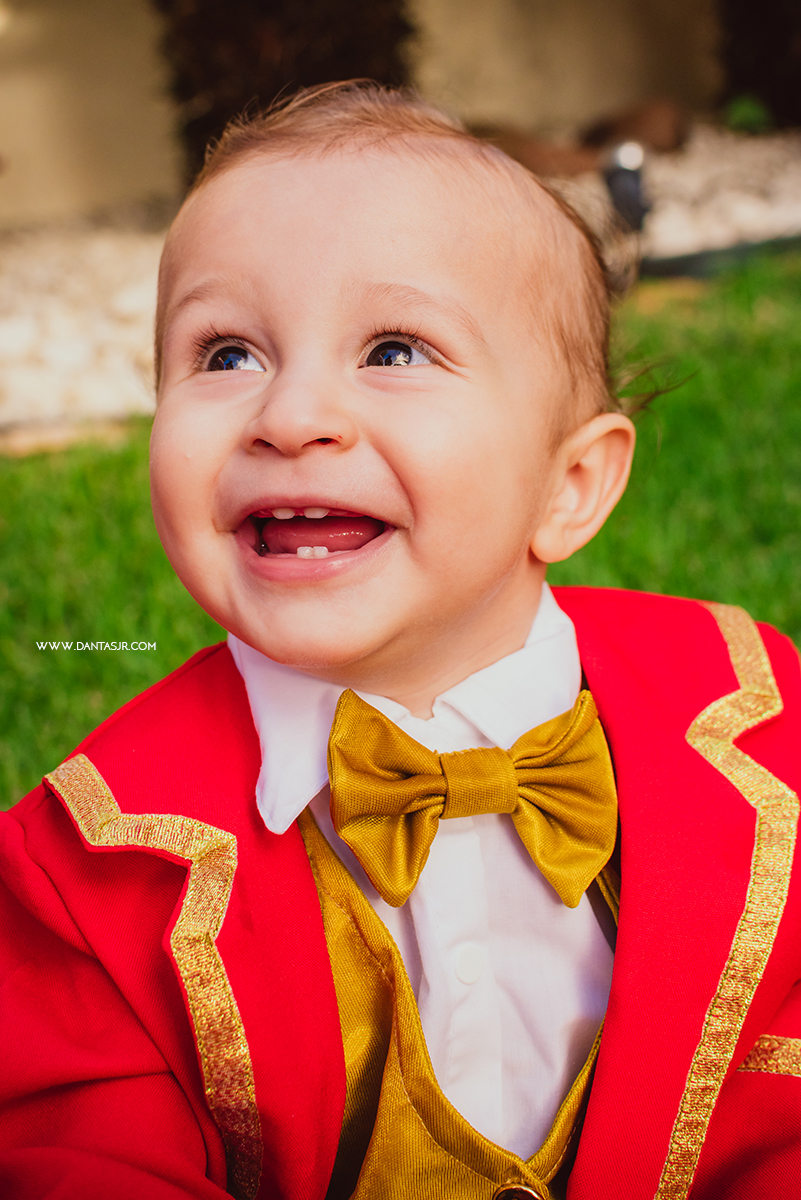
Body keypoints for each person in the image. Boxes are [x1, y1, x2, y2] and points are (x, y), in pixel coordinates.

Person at [1, 82, 799, 1200]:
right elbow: (76, 1161)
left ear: (570, 486)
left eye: (394, 349)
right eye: (225, 355)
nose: (290, 417)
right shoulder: (84, 867)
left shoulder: (755, 723)